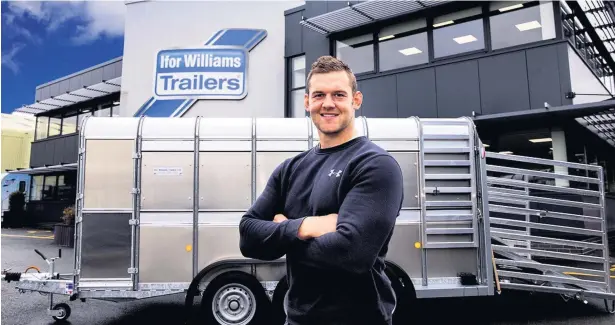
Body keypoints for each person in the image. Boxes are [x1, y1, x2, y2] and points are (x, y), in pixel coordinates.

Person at [239, 55, 404, 325]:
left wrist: (282, 234)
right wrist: (305, 226)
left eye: (339, 94)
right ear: (307, 102)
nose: (328, 104)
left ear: (356, 100)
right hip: (296, 319)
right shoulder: (290, 169)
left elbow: (350, 254)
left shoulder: (375, 165)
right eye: (319, 95)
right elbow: (248, 237)